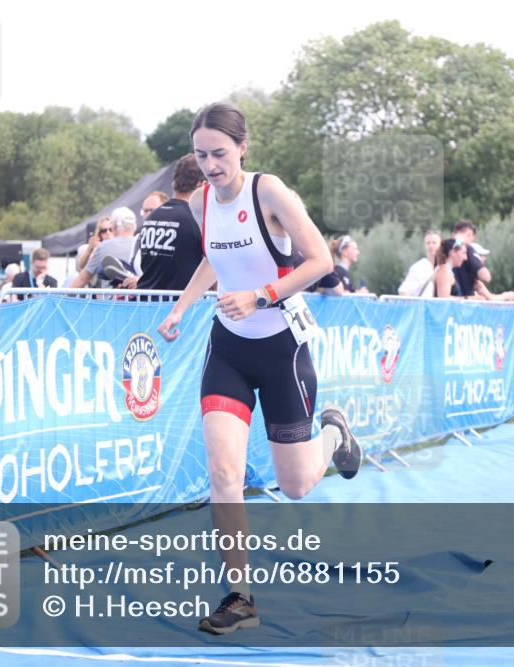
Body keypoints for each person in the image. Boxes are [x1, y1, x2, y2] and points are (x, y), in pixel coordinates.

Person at [155, 102, 361, 635]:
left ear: (242, 147)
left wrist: (261, 296)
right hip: (228, 350)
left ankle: (332, 435)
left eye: (219, 154)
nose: (210, 165)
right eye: (201, 155)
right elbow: (213, 260)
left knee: (295, 486)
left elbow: (320, 262)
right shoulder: (202, 200)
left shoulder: (269, 192)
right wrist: (181, 307)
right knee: (224, 473)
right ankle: (240, 596)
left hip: (282, 349)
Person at [119, 155, 205, 293]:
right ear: (202, 184)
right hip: (180, 308)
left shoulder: (153, 216)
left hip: (148, 304)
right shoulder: (195, 219)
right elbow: (210, 269)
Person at [68, 207, 137, 288]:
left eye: (110, 229)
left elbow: (82, 279)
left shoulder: (104, 246)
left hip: (110, 299)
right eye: (104, 230)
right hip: (142, 298)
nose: (108, 233)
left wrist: (63, 298)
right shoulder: (142, 244)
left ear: (114, 226)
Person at [451, 220, 491, 298]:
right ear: (470, 235)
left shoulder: (445, 248)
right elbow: (486, 277)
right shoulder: (468, 249)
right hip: (464, 303)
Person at [397, 230, 441, 297]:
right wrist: (414, 306)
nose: (431, 245)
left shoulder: (443, 267)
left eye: (434, 243)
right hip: (422, 306)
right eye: (428, 243)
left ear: (441, 246)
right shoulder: (419, 267)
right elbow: (403, 291)